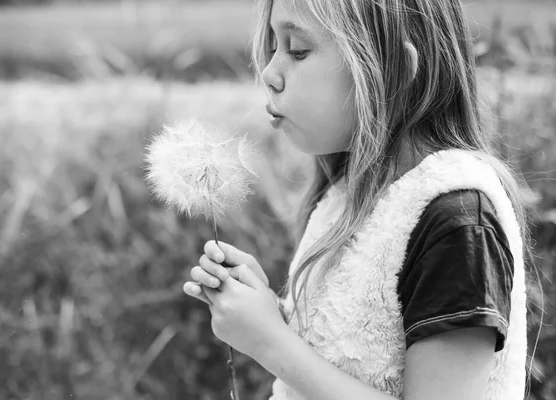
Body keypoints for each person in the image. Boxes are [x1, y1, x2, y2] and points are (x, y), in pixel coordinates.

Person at [182, 0, 534, 398]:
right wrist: (269, 316)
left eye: (297, 50)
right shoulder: (348, 197)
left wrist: (270, 342)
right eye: (273, 45)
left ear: (395, 72)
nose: (268, 73)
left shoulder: (457, 221)